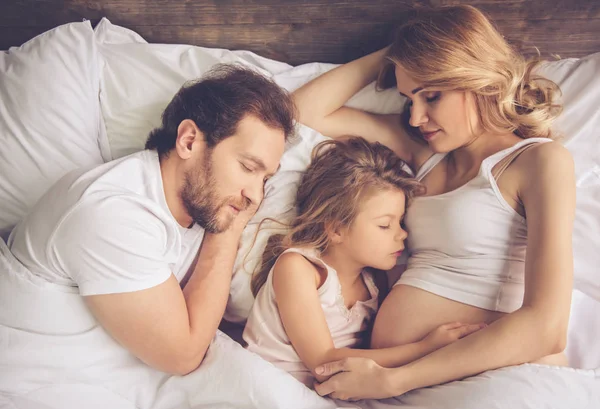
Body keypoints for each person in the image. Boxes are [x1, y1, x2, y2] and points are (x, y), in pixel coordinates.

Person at [292, 5, 575, 400]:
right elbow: (299, 115)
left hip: (495, 380)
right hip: (403, 381)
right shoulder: (422, 153)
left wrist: (397, 378)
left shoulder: (539, 162)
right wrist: (396, 51)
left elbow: (546, 326)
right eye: (410, 99)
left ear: (476, 79)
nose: (416, 117)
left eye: (432, 96)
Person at [0, 64, 295, 391]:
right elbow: (183, 355)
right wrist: (228, 232)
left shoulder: (199, 204)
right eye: (247, 167)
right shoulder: (112, 212)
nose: (255, 195)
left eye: (265, 178)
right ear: (188, 141)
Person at [242, 137, 485, 387]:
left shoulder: (374, 282)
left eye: (400, 222)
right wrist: (425, 347)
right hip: (268, 388)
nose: (402, 234)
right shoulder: (298, 268)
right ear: (336, 229)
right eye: (384, 225)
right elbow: (324, 363)